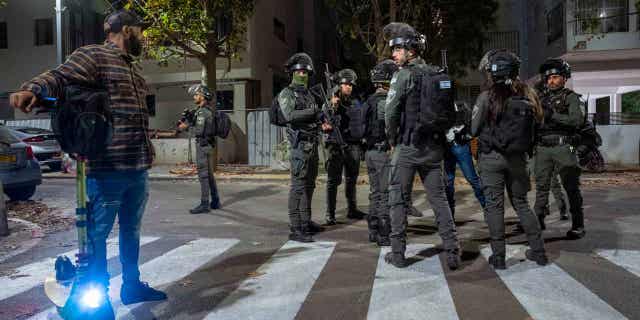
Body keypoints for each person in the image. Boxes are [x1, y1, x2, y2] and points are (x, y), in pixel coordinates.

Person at [10, 9, 166, 306]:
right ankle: (98, 300)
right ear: (127, 30)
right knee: (96, 237)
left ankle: (131, 286)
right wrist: (31, 89)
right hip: (106, 170)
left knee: (131, 232)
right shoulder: (94, 56)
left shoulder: (134, 69)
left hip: (137, 168)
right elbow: (59, 76)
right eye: (140, 31)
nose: (143, 38)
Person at [382, 22, 460, 269]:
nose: (393, 54)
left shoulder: (403, 75)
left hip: (408, 147)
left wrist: (392, 139)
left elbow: (390, 113)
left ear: (411, 50)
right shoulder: (436, 73)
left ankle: (398, 254)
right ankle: (452, 251)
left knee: (398, 199)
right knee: (439, 200)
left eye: (397, 49)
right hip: (433, 149)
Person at [471, 49, 548, 269]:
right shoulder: (528, 96)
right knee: (522, 204)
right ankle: (539, 251)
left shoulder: (486, 97)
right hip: (518, 160)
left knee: (494, 208)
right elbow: (537, 127)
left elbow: (474, 129)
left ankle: (499, 257)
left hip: (491, 159)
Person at [276, 52, 327, 242]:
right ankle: (295, 227)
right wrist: (314, 112)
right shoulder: (287, 93)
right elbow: (289, 115)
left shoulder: (310, 95)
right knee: (298, 187)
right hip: (299, 146)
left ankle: (306, 221)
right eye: (300, 72)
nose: (303, 75)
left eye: (306, 72)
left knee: (310, 185)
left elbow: (315, 117)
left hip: (312, 144)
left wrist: (323, 120)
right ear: (293, 73)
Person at [534, 58, 586, 238]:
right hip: (542, 148)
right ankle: (538, 220)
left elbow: (577, 120)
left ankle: (578, 225)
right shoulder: (540, 98)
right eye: (548, 78)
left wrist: (553, 115)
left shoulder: (570, 97)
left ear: (564, 78)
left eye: (555, 77)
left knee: (571, 186)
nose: (551, 81)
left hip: (565, 147)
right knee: (541, 186)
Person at [323, 68, 366, 225]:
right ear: (339, 85)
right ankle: (330, 213)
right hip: (336, 145)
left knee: (351, 179)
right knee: (333, 180)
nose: (349, 87)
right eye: (346, 84)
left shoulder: (355, 102)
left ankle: (352, 209)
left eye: (351, 85)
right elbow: (323, 119)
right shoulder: (331, 101)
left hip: (353, 146)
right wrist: (331, 105)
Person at [363, 59, 398, 246]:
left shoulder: (369, 100)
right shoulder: (385, 102)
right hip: (381, 150)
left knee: (375, 192)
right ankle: (384, 233)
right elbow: (388, 126)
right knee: (385, 193)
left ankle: (373, 230)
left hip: (369, 152)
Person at [178, 84, 221, 214]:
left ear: (202, 97)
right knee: (209, 175)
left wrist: (185, 127)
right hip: (206, 146)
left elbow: (199, 131)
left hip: (203, 146)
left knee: (203, 175)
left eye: (196, 95)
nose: (195, 97)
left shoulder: (203, 112)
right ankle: (215, 200)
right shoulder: (202, 110)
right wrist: (189, 120)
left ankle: (204, 204)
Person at [443, 101, 486, 221]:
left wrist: (463, 132)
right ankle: (449, 216)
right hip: (448, 148)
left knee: (472, 179)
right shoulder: (441, 106)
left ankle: (488, 209)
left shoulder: (461, 106)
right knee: (448, 183)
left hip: (460, 146)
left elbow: (471, 125)